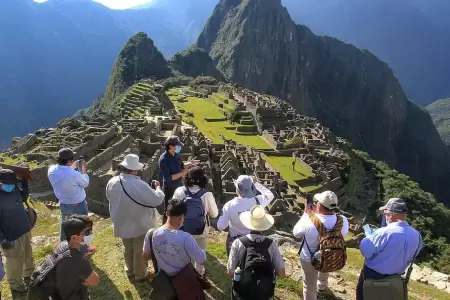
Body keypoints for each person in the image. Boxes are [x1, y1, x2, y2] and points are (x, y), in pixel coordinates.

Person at [106, 154, 165, 281]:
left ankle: (130, 270)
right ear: (133, 170)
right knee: (139, 250)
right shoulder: (139, 184)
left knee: (128, 247)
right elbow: (156, 200)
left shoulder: (112, 182)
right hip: (139, 223)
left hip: (121, 221)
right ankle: (140, 274)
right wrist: (159, 189)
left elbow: (109, 199)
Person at [356, 198, 422, 300]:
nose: (384, 215)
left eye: (385, 213)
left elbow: (365, 251)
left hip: (373, 276)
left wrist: (369, 238)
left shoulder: (384, 232)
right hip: (396, 280)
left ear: (390, 214)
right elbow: (415, 253)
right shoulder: (417, 235)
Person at [142, 199, 207, 298]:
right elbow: (201, 260)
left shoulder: (151, 234)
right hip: (184, 282)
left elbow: (145, 257)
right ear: (181, 218)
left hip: (164, 282)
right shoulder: (185, 237)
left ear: (167, 213)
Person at [292, 191, 349, 300]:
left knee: (309, 286)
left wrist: (305, 214)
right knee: (325, 261)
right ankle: (322, 286)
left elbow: (296, 233)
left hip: (309, 259)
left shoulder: (309, 220)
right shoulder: (343, 220)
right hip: (330, 255)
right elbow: (344, 233)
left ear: (319, 205)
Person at [228, 205, 286, 300]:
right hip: (264, 294)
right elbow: (281, 273)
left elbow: (230, 272)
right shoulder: (271, 245)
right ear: (264, 226)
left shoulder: (238, 243)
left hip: (243, 293)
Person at [48, 148, 96, 255]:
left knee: (65, 226)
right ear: (69, 161)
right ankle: (84, 249)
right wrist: (84, 171)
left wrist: (71, 167)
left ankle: (64, 249)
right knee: (84, 227)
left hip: (64, 204)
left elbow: (63, 174)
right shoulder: (74, 174)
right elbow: (85, 183)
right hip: (78, 205)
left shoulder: (51, 170)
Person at [172, 167, 219, 275]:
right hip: (200, 229)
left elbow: (173, 210)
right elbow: (214, 214)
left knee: (183, 251)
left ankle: (184, 272)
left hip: (182, 229)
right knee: (200, 251)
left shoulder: (179, 191)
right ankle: (199, 272)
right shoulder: (207, 195)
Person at [217, 175, 274, 255]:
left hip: (235, 240)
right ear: (252, 188)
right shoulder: (258, 201)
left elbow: (220, 226)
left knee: (233, 265)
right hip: (253, 241)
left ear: (237, 189)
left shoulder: (229, 205)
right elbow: (270, 195)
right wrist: (257, 184)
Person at [0, 169, 35, 293]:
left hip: (24, 229)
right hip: (10, 235)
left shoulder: (14, 189)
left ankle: (29, 275)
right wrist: (2, 239)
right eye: (8, 183)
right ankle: (16, 286)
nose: (11, 185)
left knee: (27, 255)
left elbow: (23, 197)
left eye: (13, 183)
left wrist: (24, 181)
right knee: (15, 260)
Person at [54, 215, 100, 299]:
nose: (90, 234)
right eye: (86, 232)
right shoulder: (79, 260)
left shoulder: (62, 245)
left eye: (90, 230)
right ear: (74, 237)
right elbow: (95, 281)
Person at [158, 136, 199, 223]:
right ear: (170, 146)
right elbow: (168, 178)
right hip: (170, 188)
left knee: (179, 208)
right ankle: (165, 228)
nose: (179, 147)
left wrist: (190, 163)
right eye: (177, 145)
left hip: (178, 186)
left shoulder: (176, 155)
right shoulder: (163, 159)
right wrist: (182, 173)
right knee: (169, 210)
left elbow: (181, 165)